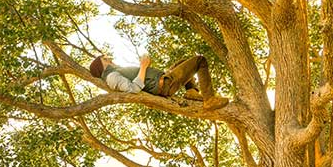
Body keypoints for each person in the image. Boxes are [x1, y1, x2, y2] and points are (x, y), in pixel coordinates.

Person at [88, 53, 229, 110]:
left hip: (164, 80)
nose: (109, 59)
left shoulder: (115, 72)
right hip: (165, 85)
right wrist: (143, 66)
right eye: (105, 59)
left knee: (182, 62)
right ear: (102, 66)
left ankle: (192, 91)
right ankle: (209, 99)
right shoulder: (111, 77)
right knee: (200, 60)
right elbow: (133, 88)